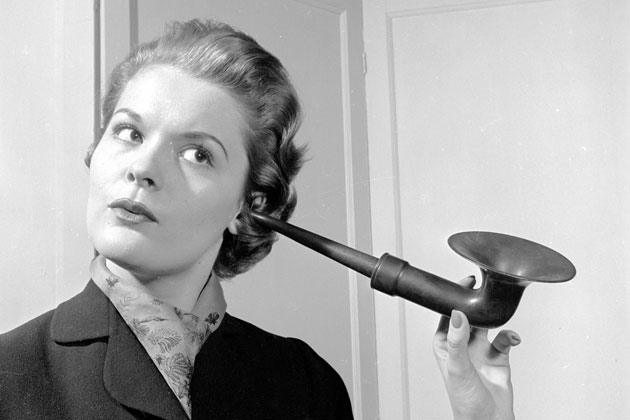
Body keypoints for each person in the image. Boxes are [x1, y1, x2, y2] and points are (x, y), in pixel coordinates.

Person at [0, 19, 519, 419]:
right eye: (129, 132)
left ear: (248, 205)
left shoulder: (306, 385)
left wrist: (482, 417)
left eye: (198, 154)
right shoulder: (9, 376)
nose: (143, 168)